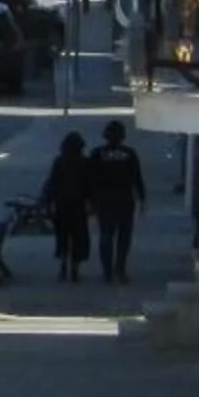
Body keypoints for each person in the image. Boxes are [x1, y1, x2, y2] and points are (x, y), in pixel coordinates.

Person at [85, 119, 148, 282]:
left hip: (104, 199)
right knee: (124, 236)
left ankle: (107, 272)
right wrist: (142, 198)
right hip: (125, 199)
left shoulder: (97, 153)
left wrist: (90, 200)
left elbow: (89, 179)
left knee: (106, 234)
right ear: (123, 136)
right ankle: (120, 268)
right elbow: (137, 178)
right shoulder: (130, 154)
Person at [41, 129, 92, 281]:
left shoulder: (59, 162)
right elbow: (90, 185)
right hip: (79, 206)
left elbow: (52, 183)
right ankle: (75, 269)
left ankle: (63, 266)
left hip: (61, 205)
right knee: (79, 237)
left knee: (62, 236)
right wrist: (92, 204)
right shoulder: (85, 163)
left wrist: (47, 202)